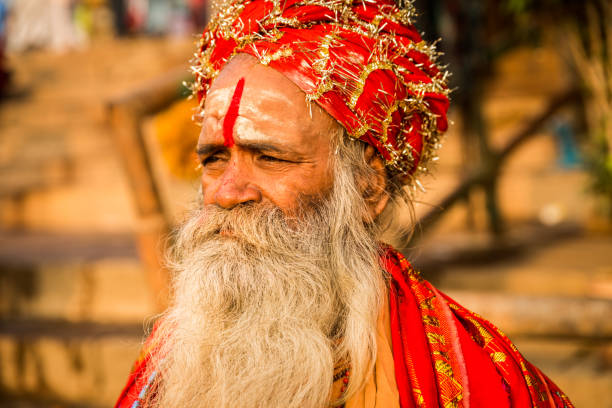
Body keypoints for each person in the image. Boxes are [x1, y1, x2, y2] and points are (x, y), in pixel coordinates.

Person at [115, 0, 574, 407]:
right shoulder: (176, 350)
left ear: (368, 186)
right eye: (215, 159)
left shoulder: (480, 382)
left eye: (269, 157)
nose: (226, 192)